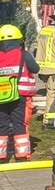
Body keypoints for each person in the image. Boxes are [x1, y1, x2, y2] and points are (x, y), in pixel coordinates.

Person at [0, 24, 39, 161]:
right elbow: (35, 69)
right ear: (19, 40)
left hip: (1, 97)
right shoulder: (23, 54)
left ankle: (1, 156)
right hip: (20, 96)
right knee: (19, 124)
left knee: (2, 125)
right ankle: (21, 156)